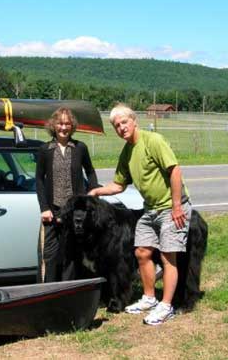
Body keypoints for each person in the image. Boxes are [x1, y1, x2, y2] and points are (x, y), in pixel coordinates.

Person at [89, 103, 191, 326]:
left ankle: (166, 306)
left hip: (171, 206)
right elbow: (118, 185)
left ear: (134, 121)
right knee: (142, 252)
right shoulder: (127, 151)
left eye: (124, 122)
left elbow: (175, 170)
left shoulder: (153, 141)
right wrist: (96, 191)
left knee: (167, 256)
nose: (121, 128)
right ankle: (149, 298)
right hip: (151, 209)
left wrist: (176, 206)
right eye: (117, 126)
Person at [36, 107, 98, 283]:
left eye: (67, 123)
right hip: (52, 211)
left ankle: (68, 290)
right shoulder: (45, 150)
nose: (63, 127)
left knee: (72, 253)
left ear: (72, 126)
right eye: (60, 123)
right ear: (53, 125)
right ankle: (48, 291)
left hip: (74, 212)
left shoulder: (80, 148)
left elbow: (91, 172)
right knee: (50, 254)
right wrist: (44, 208)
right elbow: (39, 180)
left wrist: (92, 195)